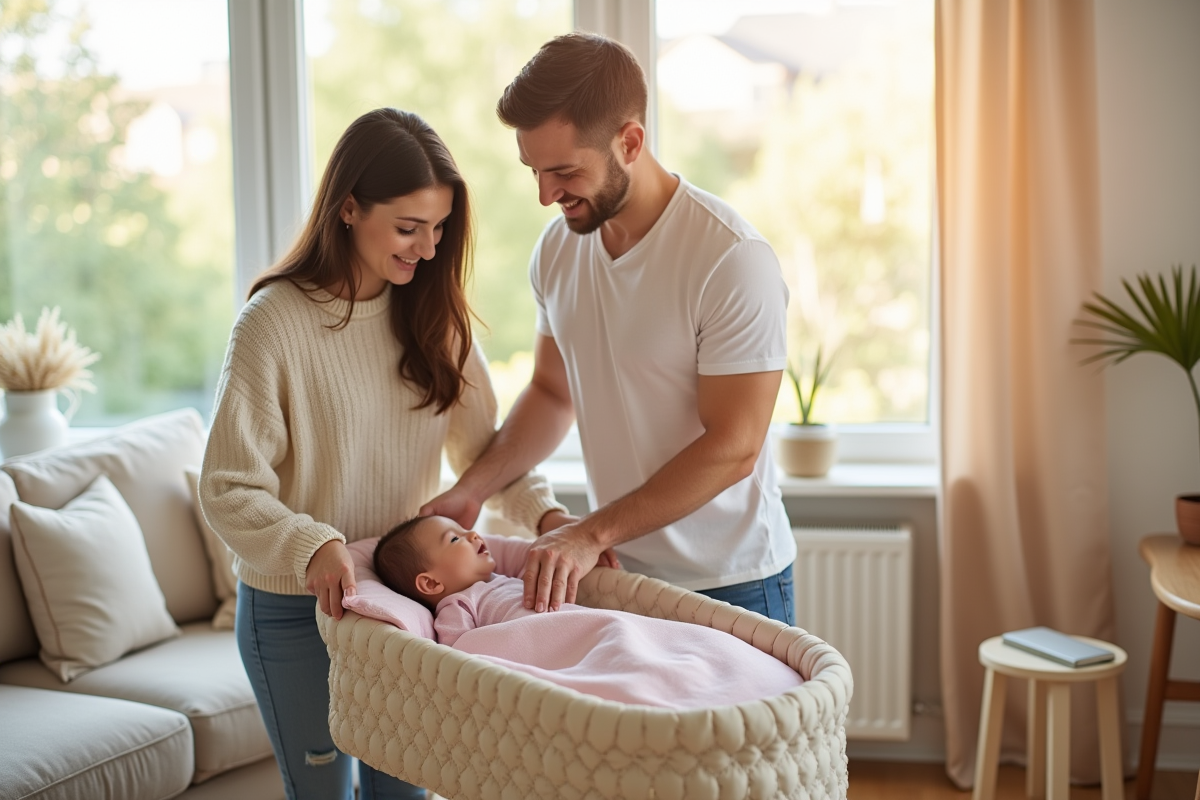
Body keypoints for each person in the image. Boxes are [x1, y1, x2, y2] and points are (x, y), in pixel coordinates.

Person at [198, 108, 571, 800]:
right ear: (348, 208)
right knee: (322, 795)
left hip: (404, 610)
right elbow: (226, 486)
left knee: (405, 793)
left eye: (439, 229)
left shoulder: (436, 318)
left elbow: (487, 455)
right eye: (408, 228)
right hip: (296, 610)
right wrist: (313, 546)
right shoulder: (271, 325)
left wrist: (550, 521)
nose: (428, 250)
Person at [422, 33, 797, 625]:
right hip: (621, 574)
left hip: (730, 583)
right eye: (535, 171)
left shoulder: (731, 259)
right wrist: (472, 489)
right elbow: (552, 393)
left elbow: (735, 446)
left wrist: (587, 533)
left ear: (630, 142)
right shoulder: (557, 253)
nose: (546, 195)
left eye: (564, 171)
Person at [368, 514, 803, 711]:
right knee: (621, 661)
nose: (472, 532)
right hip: (566, 646)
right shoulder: (459, 605)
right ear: (429, 584)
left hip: (593, 629)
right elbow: (460, 655)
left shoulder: (507, 579)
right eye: (454, 540)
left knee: (643, 640)